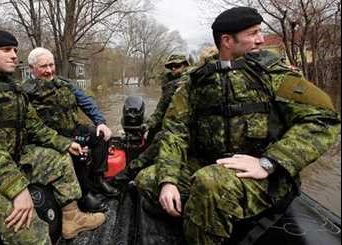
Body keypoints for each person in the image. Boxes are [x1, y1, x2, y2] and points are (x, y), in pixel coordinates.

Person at [135, 7, 341, 244]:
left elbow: (324, 117)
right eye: (253, 33)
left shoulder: (273, 74)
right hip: (211, 164)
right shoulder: (196, 81)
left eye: (260, 32)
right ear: (227, 40)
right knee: (148, 180)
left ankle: (211, 217)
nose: (261, 39)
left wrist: (270, 162)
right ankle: (206, 216)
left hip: (265, 176)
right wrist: (169, 180)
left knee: (209, 183)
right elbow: (174, 132)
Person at [0, 30, 106, 244]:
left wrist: (64, 144)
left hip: (11, 158)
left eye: (15, 50)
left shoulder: (12, 89)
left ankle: (73, 219)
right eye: (6, 50)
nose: (14, 55)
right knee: (18, 216)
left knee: (59, 159)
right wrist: (16, 187)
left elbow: (35, 127)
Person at [22, 47, 119, 213]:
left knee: (100, 136)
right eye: (43, 66)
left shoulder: (65, 84)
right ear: (32, 68)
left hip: (73, 129)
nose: (49, 70)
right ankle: (83, 195)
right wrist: (65, 142)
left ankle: (98, 179)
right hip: (49, 138)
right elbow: (31, 128)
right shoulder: (24, 92)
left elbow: (86, 102)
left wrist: (100, 122)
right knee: (80, 152)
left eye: (51, 65)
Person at [126, 54, 191, 176]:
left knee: (160, 137)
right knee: (152, 131)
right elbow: (159, 111)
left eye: (177, 66)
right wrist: (147, 125)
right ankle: (143, 164)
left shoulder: (190, 81)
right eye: (171, 66)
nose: (173, 69)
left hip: (184, 126)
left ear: (185, 66)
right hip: (169, 122)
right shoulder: (168, 85)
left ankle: (132, 169)